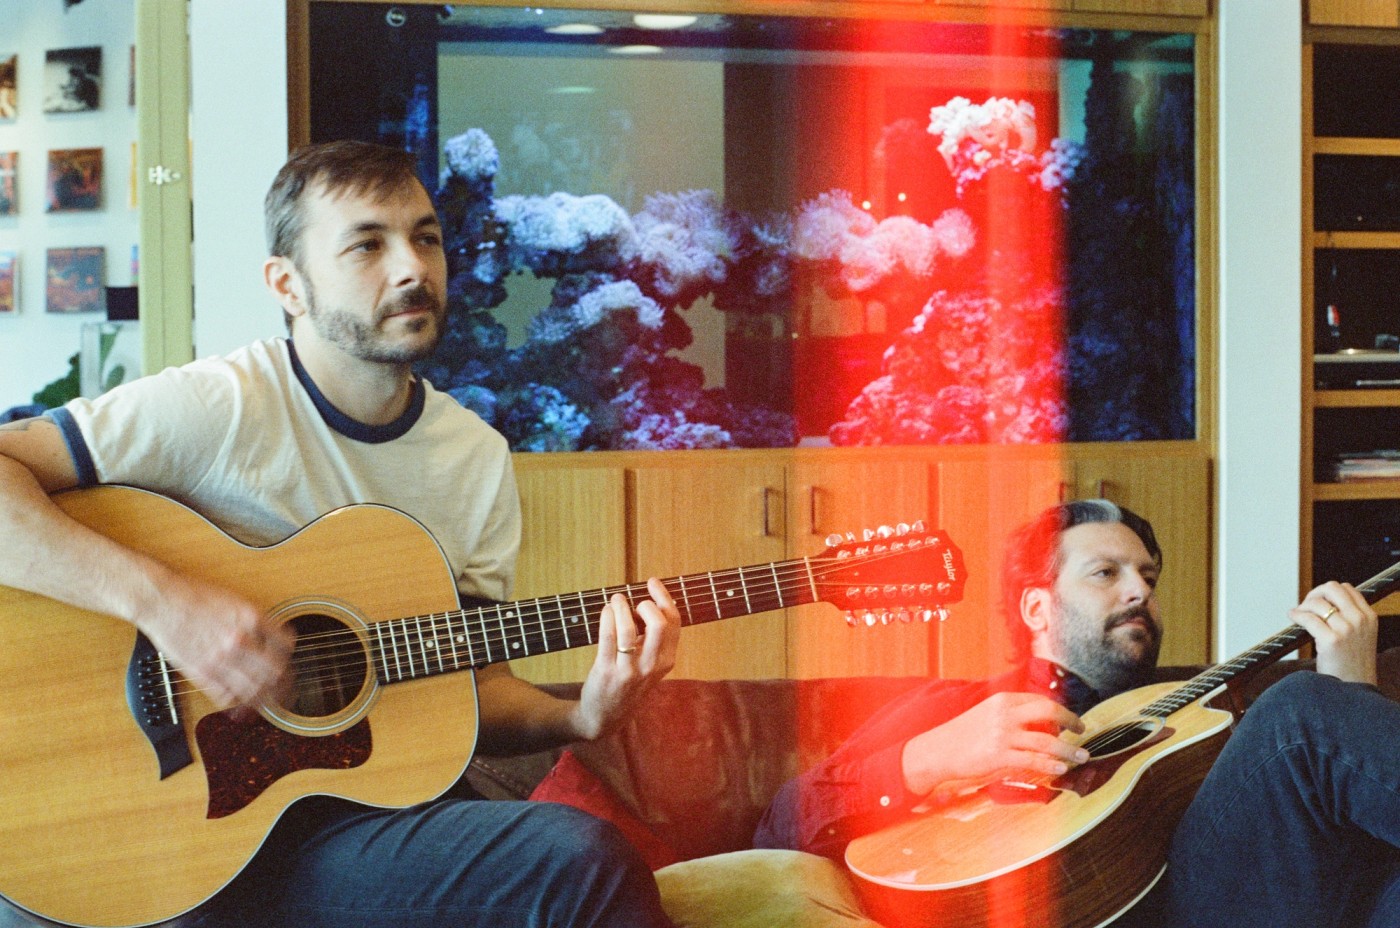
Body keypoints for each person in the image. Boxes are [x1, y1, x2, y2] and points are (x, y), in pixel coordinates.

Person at [0, 140, 682, 928]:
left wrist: (580, 717)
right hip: (159, 827)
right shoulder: (217, 406)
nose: (410, 269)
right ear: (287, 284)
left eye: (426, 237)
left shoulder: (474, 458)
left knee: (581, 862)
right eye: (367, 243)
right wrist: (166, 604)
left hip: (346, 832)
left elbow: (465, 679)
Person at [755, 498, 1400, 928]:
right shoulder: (963, 708)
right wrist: (929, 757)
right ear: (1037, 610)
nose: (1140, 589)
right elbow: (779, 829)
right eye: (1105, 573)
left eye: (1148, 575)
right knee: (1299, 713)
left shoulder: (1210, 709)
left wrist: (1353, 681)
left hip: (1237, 898)